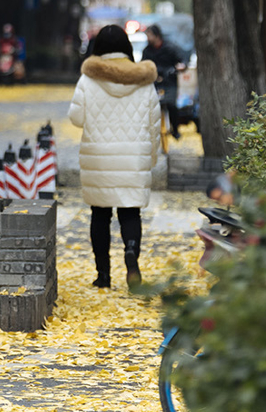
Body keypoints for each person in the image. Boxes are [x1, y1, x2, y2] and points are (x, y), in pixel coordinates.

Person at [68, 22, 162, 290]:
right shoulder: (144, 81)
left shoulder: (88, 79)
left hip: (99, 156)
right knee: (130, 213)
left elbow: (76, 118)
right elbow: (154, 124)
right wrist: (152, 157)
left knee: (100, 214)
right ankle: (131, 255)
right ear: (127, 48)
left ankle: (103, 275)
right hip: (133, 157)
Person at [142, 23, 184, 138]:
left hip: (169, 81)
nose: (148, 38)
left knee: (171, 105)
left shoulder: (170, 48)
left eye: (150, 35)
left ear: (157, 36)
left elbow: (181, 61)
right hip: (154, 82)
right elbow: (143, 64)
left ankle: (175, 129)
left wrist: (179, 67)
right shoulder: (147, 51)